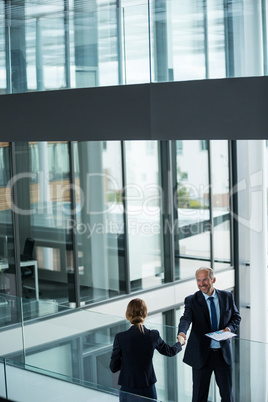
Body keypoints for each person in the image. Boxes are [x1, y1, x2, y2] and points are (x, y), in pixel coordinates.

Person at [178, 267, 241, 402]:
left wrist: (229, 328)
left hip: (222, 355)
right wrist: (182, 333)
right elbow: (185, 319)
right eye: (199, 280)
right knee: (199, 397)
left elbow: (236, 317)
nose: (202, 284)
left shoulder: (227, 296)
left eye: (205, 279)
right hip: (201, 356)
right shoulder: (191, 300)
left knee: (227, 396)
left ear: (213, 279)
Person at [110, 298, 185, 401]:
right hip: (147, 388)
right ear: (145, 314)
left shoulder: (120, 337)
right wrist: (180, 342)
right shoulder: (153, 335)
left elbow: (114, 367)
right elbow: (170, 351)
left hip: (127, 388)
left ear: (128, 314)